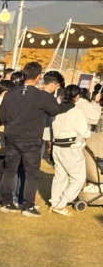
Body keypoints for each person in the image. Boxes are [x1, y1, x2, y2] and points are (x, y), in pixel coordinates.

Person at [0, 61, 63, 216]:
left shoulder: (11, 93)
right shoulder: (41, 96)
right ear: (39, 77)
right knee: (31, 173)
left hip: (12, 136)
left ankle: (6, 202)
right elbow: (55, 110)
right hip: (31, 138)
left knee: (9, 170)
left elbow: (1, 115)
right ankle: (28, 206)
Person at [49, 84, 93, 215]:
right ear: (77, 96)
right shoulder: (76, 111)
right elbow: (83, 131)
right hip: (70, 147)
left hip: (57, 146)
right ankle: (62, 203)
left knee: (60, 175)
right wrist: (88, 134)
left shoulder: (57, 110)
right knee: (79, 177)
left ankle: (54, 201)